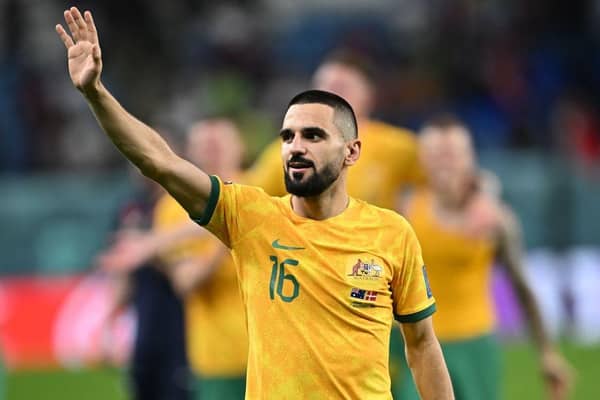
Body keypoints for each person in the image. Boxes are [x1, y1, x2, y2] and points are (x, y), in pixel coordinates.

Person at [55, 7, 454, 399]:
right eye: (288, 136)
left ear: (351, 152)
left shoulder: (392, 233)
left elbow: (422, 344)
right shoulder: (250, 216)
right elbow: (159, 161)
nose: (296, 147)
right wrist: (96, 93)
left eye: (313, 136)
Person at [397, 114, 573, 400]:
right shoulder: (405, 209)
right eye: (436, 155)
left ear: (470, 157)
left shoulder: (495, 221)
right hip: (415, 342)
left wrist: (547, 353)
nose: (445, 163)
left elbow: (522, 287)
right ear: (423, 159)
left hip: (475, 345)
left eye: (453, 154)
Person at [246, 49, 425, 208]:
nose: (329, 95)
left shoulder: (399, 146)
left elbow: (438, 189)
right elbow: (248, 204)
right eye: (323, 87)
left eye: (341, 87)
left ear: (368, 95)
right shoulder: (287, 150)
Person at [154, 118, 249, 400]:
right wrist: (227, 235)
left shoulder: (264, 193)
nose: (213, 151)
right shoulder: (173, 208)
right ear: (190, 152)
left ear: (240, 147)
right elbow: (185, 282)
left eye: (220, 143)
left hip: (276, 353)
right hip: (218, 360)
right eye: (205, 145)